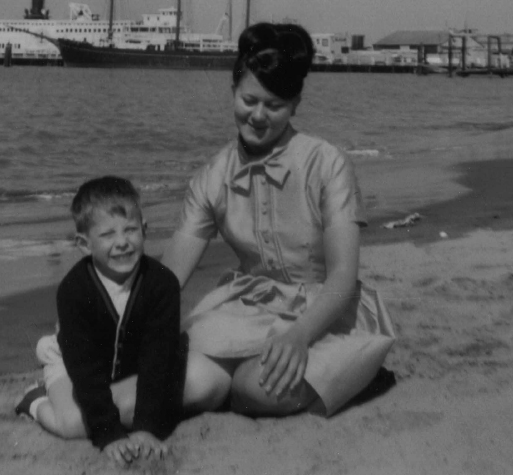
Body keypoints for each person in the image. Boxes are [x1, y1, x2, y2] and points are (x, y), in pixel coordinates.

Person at [161, 22, 396, 418]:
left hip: (329, 312)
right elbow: (167, 278)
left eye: (274, 105)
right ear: (233, 90)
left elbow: (343, 277)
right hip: (248, 307)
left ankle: (357, 370)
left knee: (257, 388)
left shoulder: (327, 163)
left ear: (295, 104)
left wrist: (299, 337)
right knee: (197, 380)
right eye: (248, 100)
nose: (257, 116)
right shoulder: (212, 176)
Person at [15, 176, 186, 467]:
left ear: (145, 231)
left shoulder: (162, 284)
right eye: (107, 235)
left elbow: (157, 360)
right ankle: (33, 399)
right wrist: (109, 434)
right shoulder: (74, 291)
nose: (122, 242)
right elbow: (85, 371)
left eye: (131, 230)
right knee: (70, 425)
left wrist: (145, 429)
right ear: (84, 244)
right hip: (74, 364)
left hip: (127, 366)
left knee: (165, 400)